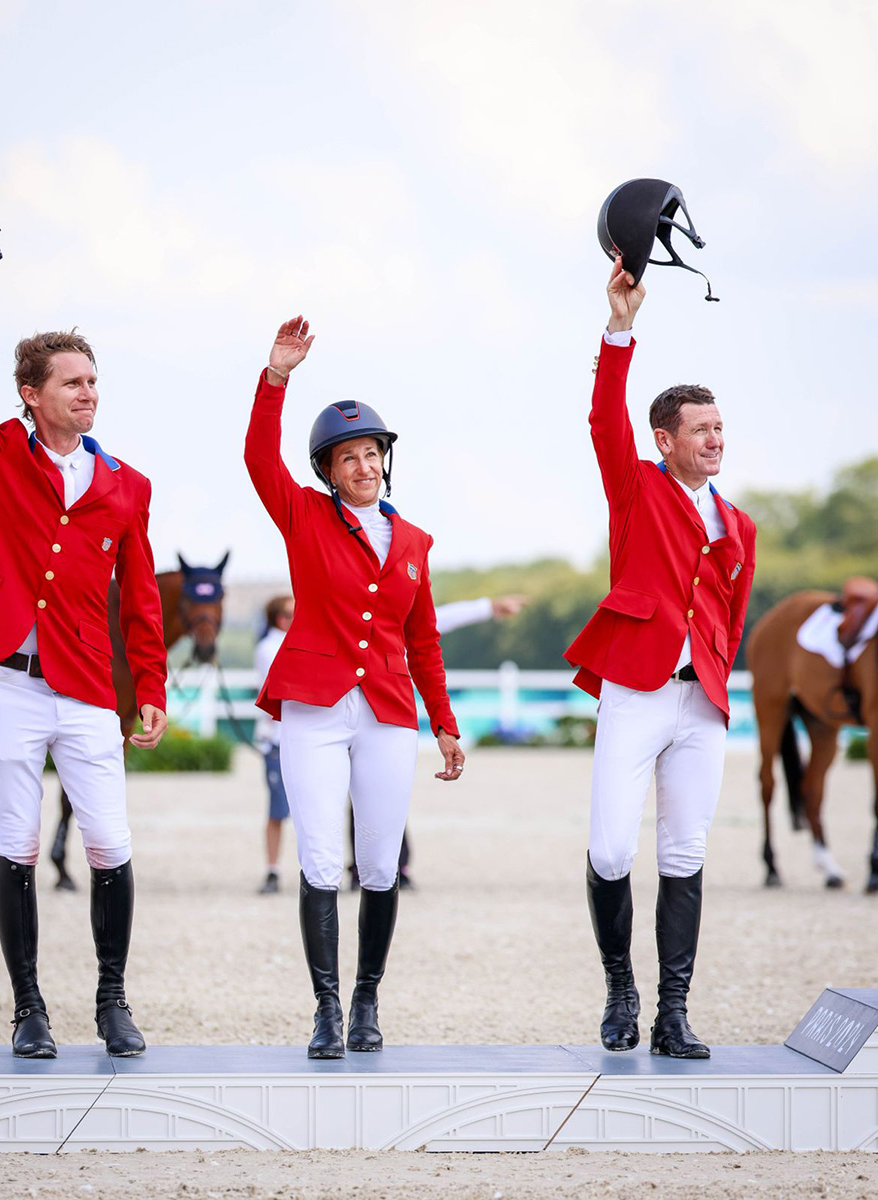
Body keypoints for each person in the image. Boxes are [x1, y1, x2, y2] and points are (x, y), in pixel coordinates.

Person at [0, 211, 168, 1059]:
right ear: (33, 394)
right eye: (73, 382)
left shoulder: (128, 486)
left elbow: (142, 601)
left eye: (94, 380)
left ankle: (113, 1001)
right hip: (9, 684)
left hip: (88, 690)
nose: (89, 392)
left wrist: (149, 688)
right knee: (12, 844)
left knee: (109, 846)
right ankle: (28, 1009)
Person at [245, 315, 464, 1059]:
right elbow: (255, 456)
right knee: (316, 859)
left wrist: (444, 722)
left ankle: (367, 998)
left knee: (376, 863)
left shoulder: (413, 544)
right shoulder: (303, 516)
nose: (364, 466)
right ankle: (325, 1007)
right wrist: (275, 377)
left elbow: (424, 641)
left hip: (387, 715)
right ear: (329, 471)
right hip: (314, 708)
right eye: (349, 458)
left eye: (372, 454)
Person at [565, 257, 756, 1060]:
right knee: (612, 848)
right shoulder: (636, 487)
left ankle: (673, 1011)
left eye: (720, 427)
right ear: (665, 440)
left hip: (699, 703)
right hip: (637, 691)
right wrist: (620, 328)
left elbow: (732, 613)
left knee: (685, 852)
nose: (716, 439)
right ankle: (620, 987)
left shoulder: (740, 524)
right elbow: (603, 419)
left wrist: (713, 677)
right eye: (701, 430)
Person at [347, 592, 528, 890]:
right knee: (360, 796)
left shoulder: (396, 618)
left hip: (386, 713)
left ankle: (391, 866)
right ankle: (362, 867)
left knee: (386, 793)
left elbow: (441, 619)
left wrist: (488, 607)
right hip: (354, 711)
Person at [254, 594, 294, 893]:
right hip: (279, 738)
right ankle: (272, 869)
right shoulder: (270, 647)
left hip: (286, 735)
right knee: (277, 809)